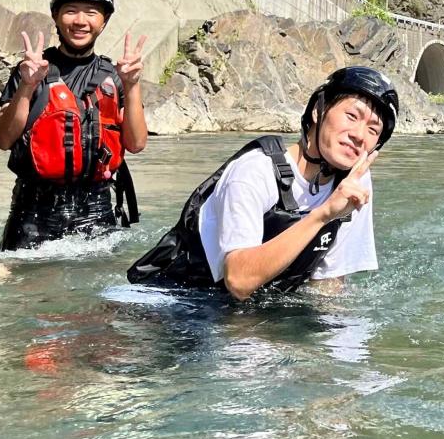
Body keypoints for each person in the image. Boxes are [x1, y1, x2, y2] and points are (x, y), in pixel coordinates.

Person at [127, 66, 395, 299]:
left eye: (373, 129)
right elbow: (239, 281)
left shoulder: (355, 181)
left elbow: (328, 284)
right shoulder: (256, 170)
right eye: (351, 116)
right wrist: (323, 214)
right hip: (177, 301)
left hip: (244, 309)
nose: (359, 135)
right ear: (318, 110)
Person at [0, 0, 147, 249]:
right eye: (71, 10)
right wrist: (27, 86)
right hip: (34, 211)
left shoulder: (115, 75)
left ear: (104, 21)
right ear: (55, 16)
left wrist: (132, 85)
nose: (80, 21)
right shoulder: (31, 70)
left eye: (91, 12)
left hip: (97, 209)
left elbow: (135, 144)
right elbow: (3, 140)